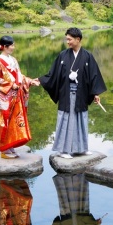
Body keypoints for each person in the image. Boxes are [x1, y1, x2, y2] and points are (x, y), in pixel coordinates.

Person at [39, 27, 107, 159]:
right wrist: (41, 80)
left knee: (81, 119)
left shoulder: (87, 56)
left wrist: (95, 94)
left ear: (78, 39)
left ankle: (81, 148)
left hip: (81, 93)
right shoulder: (63, 55)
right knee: (65, 119)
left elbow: (94, 76)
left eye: (70, 39)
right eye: (67, 39)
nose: (68, 42)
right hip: (66, 93)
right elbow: (53, 74)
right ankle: (63, 150)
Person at [0, 35, 39, 159]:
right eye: (11, 45)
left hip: (16, 95)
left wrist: (29, 81)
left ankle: (10, 145)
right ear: (5, 47)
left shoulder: (13, 59)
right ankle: (3, 149)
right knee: (4, 120)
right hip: (5, 96)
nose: (13, 47)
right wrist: (11, 84)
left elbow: (19, 75)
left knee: (13, 121)